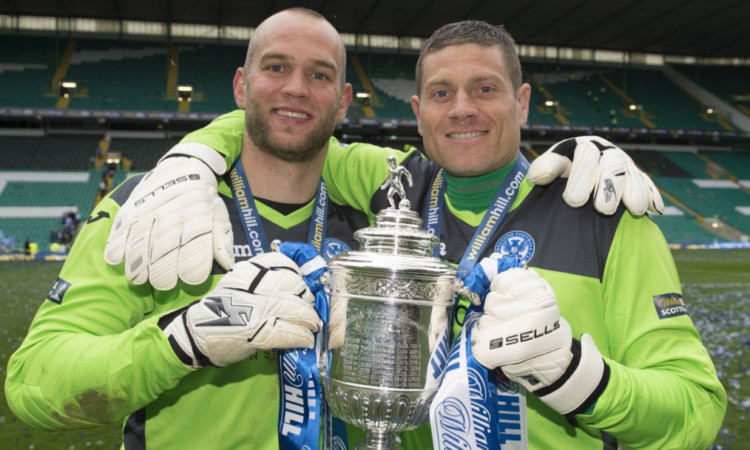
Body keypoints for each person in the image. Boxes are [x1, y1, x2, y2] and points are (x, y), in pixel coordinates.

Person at [112, 20, 725, 449]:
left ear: (524, 102)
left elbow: (696, 410)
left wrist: (576, 376)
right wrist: (190, 159)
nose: (462, 108)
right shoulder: (397, 185)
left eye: (485, 89)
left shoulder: (598, 209)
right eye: (441, 93)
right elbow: (284, 121)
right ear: (418, 112)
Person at [5, 8, 370, 449]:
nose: (295, 87)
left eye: (319, 75)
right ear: (241, 86)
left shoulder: (376, 226)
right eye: (276, 67)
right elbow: (33, 383)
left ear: (344, 100)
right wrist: (183, 340)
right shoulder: (151, 206)